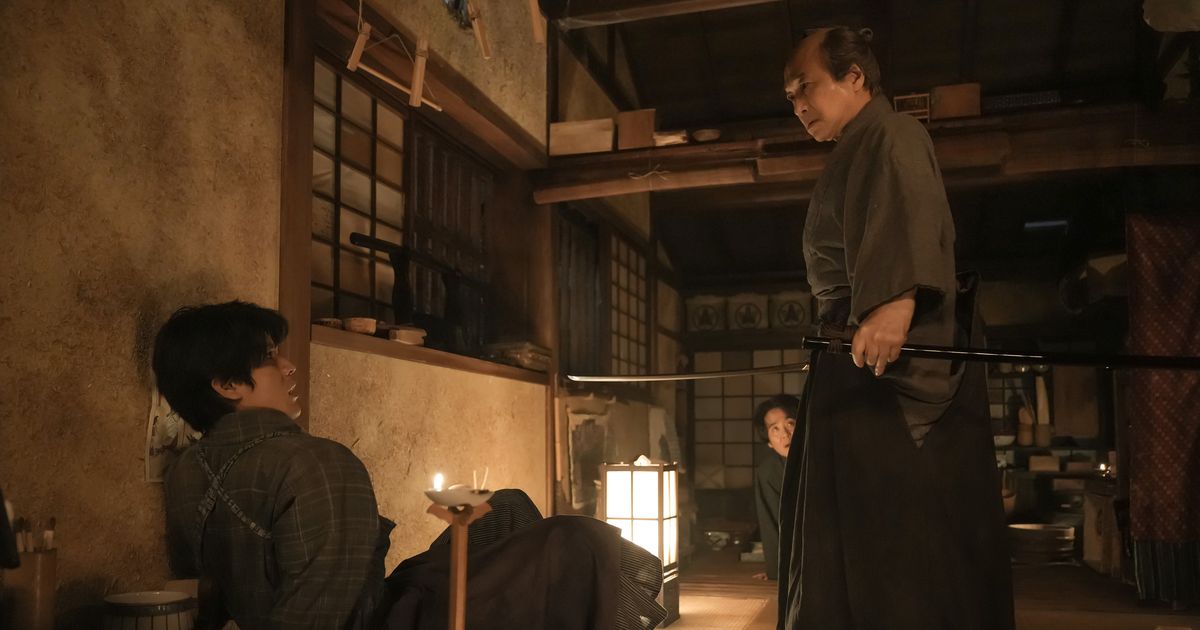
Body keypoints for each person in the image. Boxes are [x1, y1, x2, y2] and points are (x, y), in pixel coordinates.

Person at [154, 301, 666, 630]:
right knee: (576, 541)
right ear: (227, 384)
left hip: (310, 610)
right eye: (269, 357)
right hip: (382, 622)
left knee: (506, 507)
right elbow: (328, 614)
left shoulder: (186, 472)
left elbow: (208, 588)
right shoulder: (318, 463)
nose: (288, 367)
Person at [776, 27, 1013, 629]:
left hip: (881, 350)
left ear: (855, 76)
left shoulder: (894, 133)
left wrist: (894, 302)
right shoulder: (853, 148)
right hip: (847, 343)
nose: (798, 104)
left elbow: (905, 217)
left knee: (894, 531)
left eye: (806, 86)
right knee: (850, 525)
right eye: (790, 96)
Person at [751, 395, 799, 582]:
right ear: (769, 442)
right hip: (798, 560)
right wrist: (776, 572)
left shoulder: (828, 458)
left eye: (790, 424)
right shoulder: (768, 472)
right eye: (775, 429)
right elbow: (771, 523)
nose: (785, 434)